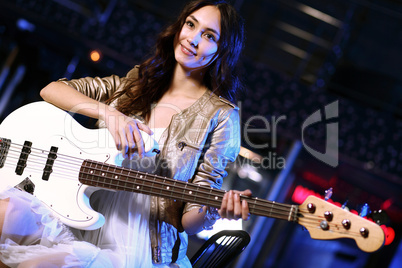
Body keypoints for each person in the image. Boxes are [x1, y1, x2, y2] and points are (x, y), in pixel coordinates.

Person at [0, 0, 251, 267]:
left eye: (209, 36)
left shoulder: (222, 115)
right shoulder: (137, 81)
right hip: (77, 212)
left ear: (222, 51)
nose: (193, 39)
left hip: (137, 245)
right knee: (5, 211)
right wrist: (110, 114)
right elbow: (51, 90)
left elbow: (188, 222)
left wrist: (213, 210)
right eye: (191, 24)